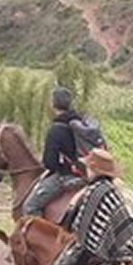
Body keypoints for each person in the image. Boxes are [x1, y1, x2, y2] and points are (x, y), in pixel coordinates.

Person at [19, 86, 100, 220]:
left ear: (52, 105)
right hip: (91, 173)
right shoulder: (81, 123)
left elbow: (50, 164)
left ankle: (42, 239)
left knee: (30, 207)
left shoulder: (56, 129)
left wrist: (59, 166)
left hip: (69, 176)